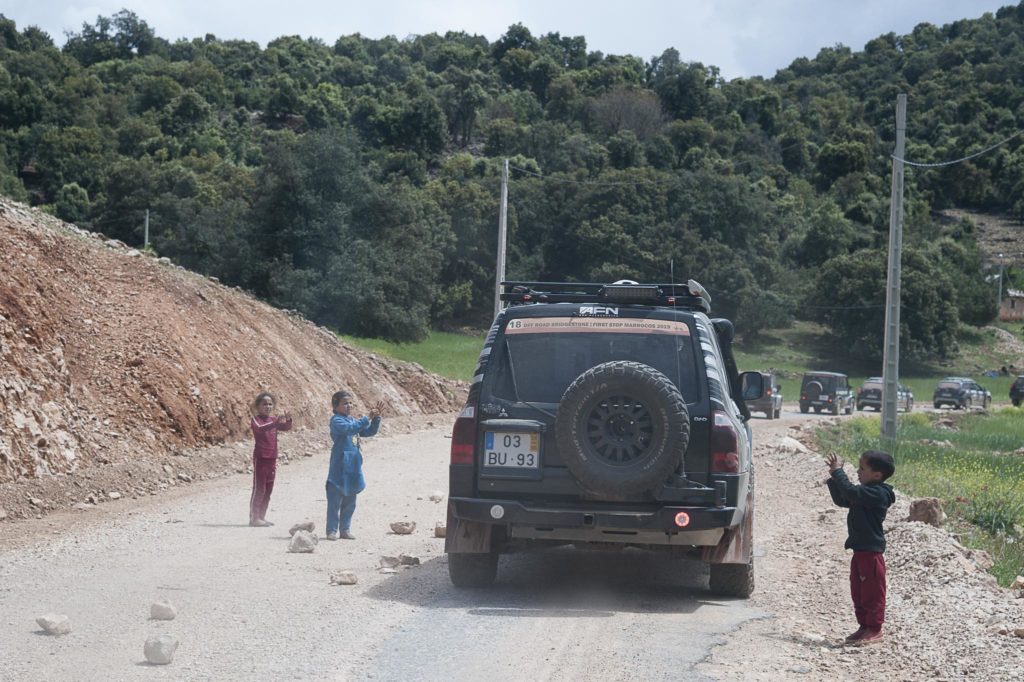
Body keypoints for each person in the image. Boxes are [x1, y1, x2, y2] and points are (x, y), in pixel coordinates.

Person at [825, 450, 896, 645]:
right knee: (859, 592)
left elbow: (850, 492)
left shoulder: (878, 494)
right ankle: (864, 626)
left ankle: (875, 629)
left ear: (877, 475)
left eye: (862, 468)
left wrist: (839, 472)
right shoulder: (864, 494)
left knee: (873, 593)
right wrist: (833, 477)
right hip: (859, 551)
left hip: (871, 554)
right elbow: (843, 499)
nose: (858, 471)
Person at [325, 391, 384, 540]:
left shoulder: (352, 420)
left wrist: (376, 419)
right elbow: (350, 430)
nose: (349, 406)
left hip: (353, 466)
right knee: (335, 501)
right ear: (335, 406)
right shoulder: (337, 421)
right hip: (339, 466)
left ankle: (345, 529)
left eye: (350, 403)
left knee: (350, 500)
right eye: (345, 403)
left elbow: (368, 431)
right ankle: (331, 530)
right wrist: (367, 417)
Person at [248, 392, 292, 527]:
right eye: (264, 404)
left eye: (270, 404)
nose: (268, 407)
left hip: (272, 458)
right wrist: (275, 422)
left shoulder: (272, 420)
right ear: (258, 406)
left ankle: (262, 517)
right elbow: (260, 429)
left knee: (268, 489)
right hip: (261, 458)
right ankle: (254, 518)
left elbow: (285, 428)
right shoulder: (256, 420)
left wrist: (288, 420)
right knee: (259, 488)